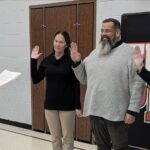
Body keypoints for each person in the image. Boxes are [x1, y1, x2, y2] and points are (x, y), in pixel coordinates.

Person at [70, 18, 145, 150]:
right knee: (102, 146)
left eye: (108, 31)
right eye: (102, 30)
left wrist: (132, 111)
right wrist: (77, 63)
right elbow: (84, 79)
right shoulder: (95, 53)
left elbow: (137, 83)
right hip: (95, 110)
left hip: (117, 113)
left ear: (117, 32)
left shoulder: (129, 53)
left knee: (119, 147)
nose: (103, 33)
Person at [31, 30, 82, 150]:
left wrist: (77, 106)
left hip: (67, 107)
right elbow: (36, 79)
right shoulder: (47, 61)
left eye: (61, 42)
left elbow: (76, 84)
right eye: (56, 41)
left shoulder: (70, 61)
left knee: (68, 139)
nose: (57, 44)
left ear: (66, 45)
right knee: (55, 138)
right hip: (50, 106)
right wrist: (33, 61)